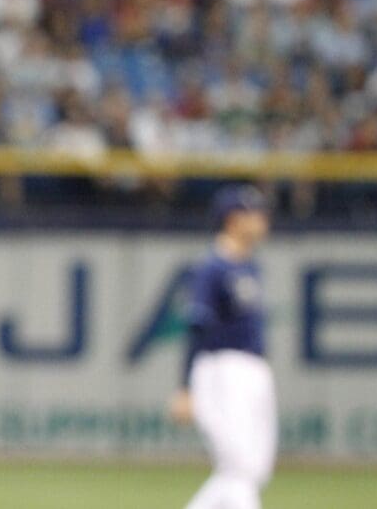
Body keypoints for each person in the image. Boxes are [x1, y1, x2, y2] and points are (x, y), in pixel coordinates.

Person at [170, 184, 276, 509]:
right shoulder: (212, 268)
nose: (262, 219)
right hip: (221, 368)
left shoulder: (249, 265)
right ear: (233, 219)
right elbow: (197, 327)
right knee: (240, 468)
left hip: (253, 368)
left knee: (252, 470)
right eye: (253, 213)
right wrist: (185, 387)